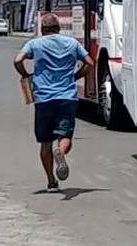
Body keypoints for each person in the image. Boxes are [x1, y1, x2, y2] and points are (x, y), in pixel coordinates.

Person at [13, 12, 96, 191]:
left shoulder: (34, 44)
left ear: (42, 30)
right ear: (58, 28)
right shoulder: (72, 43)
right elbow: (90, 62)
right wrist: (75, 76)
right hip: (67, 97)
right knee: (65, 135)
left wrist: (24, 74)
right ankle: (61, 152)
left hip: (43, 98)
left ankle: (51, 181)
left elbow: (18, 59)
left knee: (45, 142)